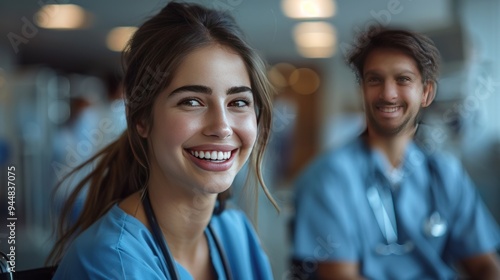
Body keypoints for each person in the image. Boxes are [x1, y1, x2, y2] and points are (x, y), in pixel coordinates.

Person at [47, 2, 277, 279]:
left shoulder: (235, 231)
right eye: (192, 101)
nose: (222, 127)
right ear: (141, 120)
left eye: (238, 102)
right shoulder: (111, 262)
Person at [291, 25, 500, 279]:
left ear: (426, 92)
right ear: (362, 91)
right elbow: (340, 276)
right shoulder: (328, 178)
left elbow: (485, 265)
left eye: (403, 79)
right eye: (375, 80)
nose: (388, 94)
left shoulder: (445, 173)